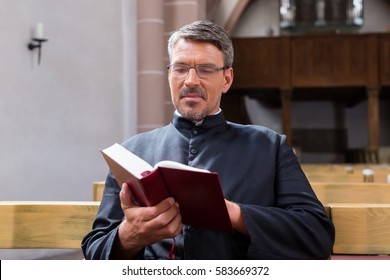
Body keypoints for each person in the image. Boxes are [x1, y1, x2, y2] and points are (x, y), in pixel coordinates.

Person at [82, 20, 335, 260]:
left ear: (227, 79)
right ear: (170, 75)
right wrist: (129, 236)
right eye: (180, 69)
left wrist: (235, 214)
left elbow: (317, 234)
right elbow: (95, 250)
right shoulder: (131, 152)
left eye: (205, 70)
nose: (190, 81)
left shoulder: (270, 147)